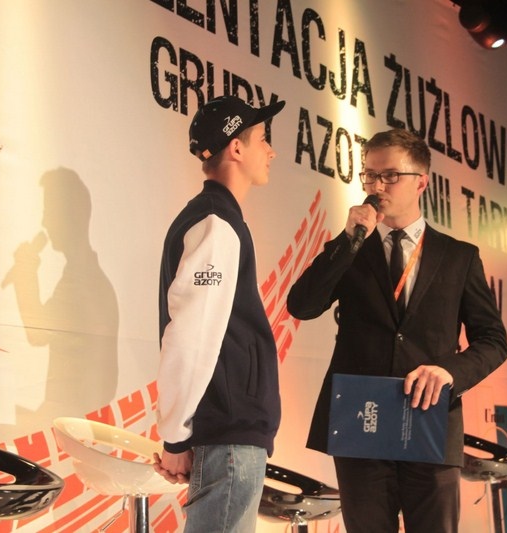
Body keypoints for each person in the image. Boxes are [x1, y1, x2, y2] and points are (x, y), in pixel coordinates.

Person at [287, 128, 507, 533]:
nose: (377, 186)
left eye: (389, 175)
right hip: (361, 422)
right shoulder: (352, 248)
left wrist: (449, 372)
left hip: (428, 420)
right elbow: (302, 305)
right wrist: (347, 241)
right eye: (370, 175)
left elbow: (493, 341)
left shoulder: (458, 256)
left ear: (421, 181)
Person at [153, 95, 285, 533]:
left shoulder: (217, 219)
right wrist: (176, 435)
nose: (271, 152)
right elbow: (189, 336)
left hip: (228, 434)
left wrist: (180, 432)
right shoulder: (216, 223)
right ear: (236, 147)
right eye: (263, 139)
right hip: (229, 434)